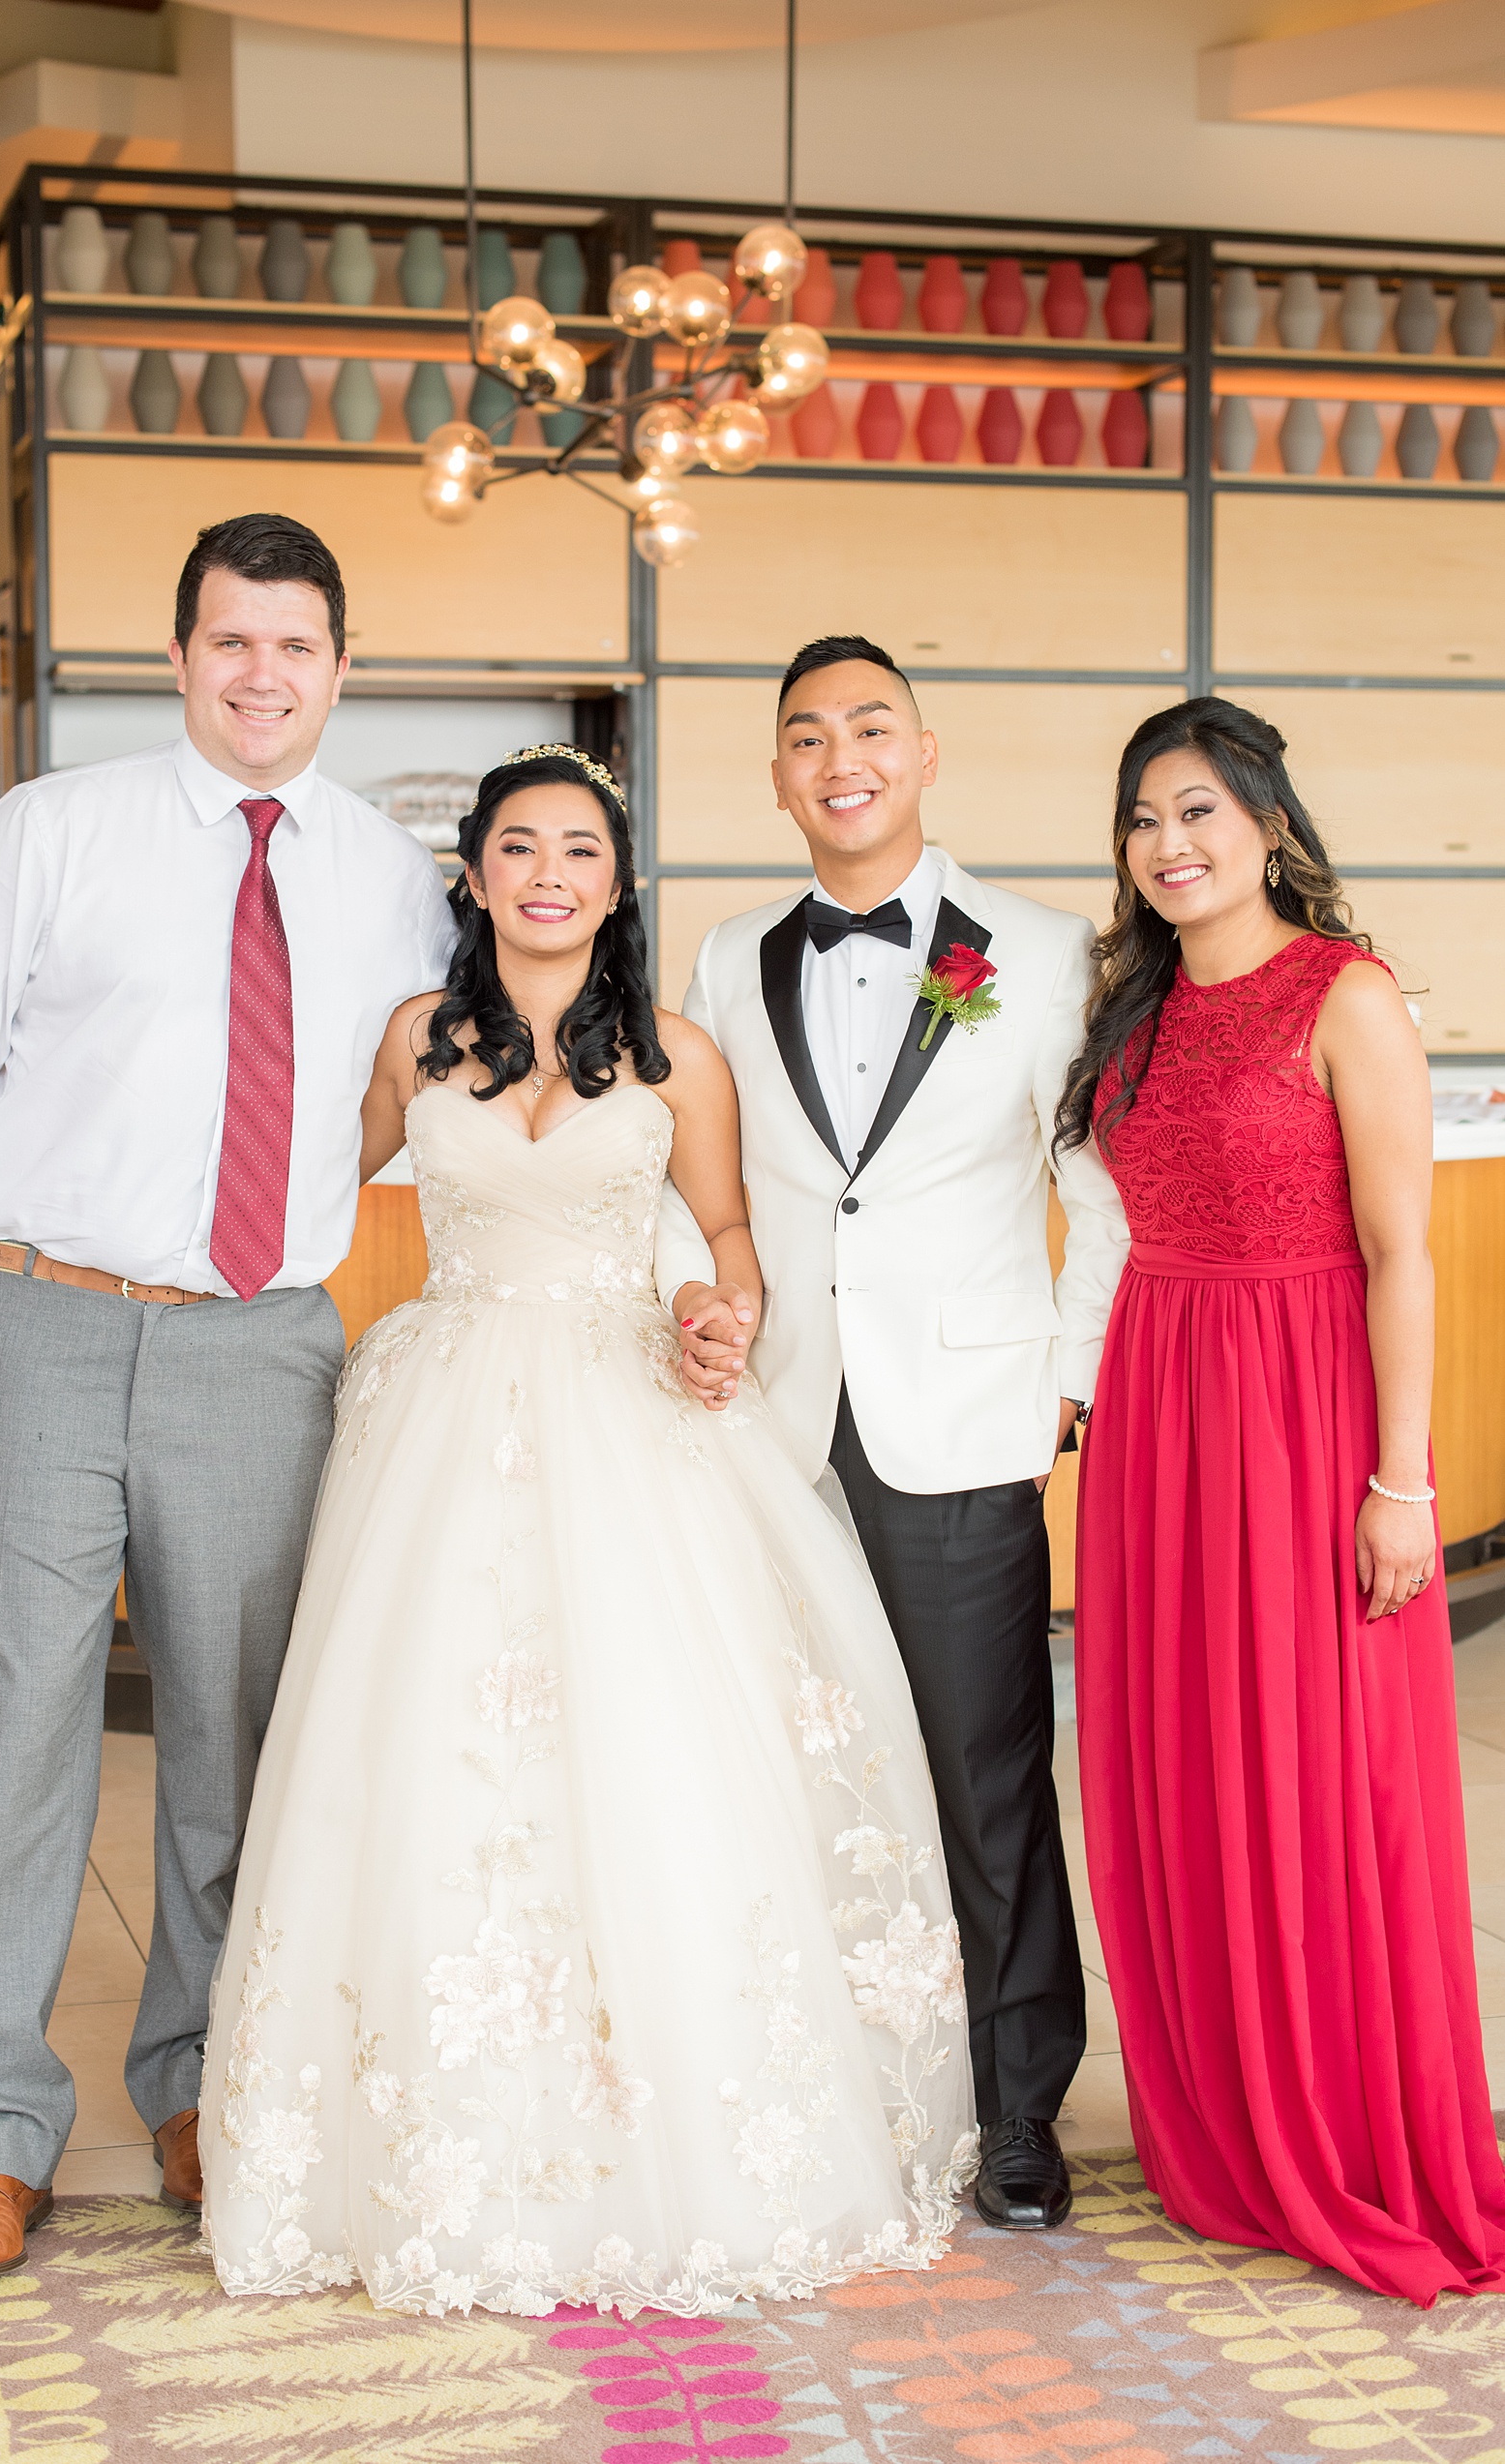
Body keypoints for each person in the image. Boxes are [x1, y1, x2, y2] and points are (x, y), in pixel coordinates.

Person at [196, 746, 978, 2316]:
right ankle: (428, 2138)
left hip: (632, 1414)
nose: (548, 871)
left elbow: (732, 1240)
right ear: (474, 876)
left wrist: (716, 1313)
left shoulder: (678, 1049)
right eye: (517, 846)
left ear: (617, 883)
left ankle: (675, 2125)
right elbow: (293, 1192)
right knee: (426, 1760)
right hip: (443, 1416)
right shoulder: (416, 1037)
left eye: (579, 849)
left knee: (654, 1754)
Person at [0, 512, 456, 2285]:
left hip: (260, 1343)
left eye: (296, 645)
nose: (262, 674)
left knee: (238, 1742)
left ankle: (205, 2088)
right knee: (6, 1742)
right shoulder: (55, 829)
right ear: (179, 655)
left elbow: (457, 1091)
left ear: (340, 669)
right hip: (31, 1326)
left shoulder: (394, 879)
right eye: (230, 641)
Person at [654, 637, 1129, 2232]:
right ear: (777, 775)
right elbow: (687, 1178)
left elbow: (1102, 1193)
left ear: (927, 752)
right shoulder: (724, 955)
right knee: (795, 1768)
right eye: (806, 736)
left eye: (869, 726)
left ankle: (1014, 2109)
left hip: (965, 1412)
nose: (838, 755)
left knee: (982, 1774)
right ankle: (841, 2073)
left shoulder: (1050, 951)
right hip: (774, 1425)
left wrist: (1069, 1372)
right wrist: (694, 1305)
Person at [1061, 695, 1505, 2304]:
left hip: (1312, 1406)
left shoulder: (1348, 992)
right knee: (1182, 1764)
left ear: (1265, 820)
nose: (1169, 845)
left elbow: (1404, 1252)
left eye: (1197, 812)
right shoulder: (1130, 1005)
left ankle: (1351, 2131)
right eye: (1141, 820)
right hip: (1164, 1405)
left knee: (1320, 1777)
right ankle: (1232, 2134)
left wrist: (1404, 1479)